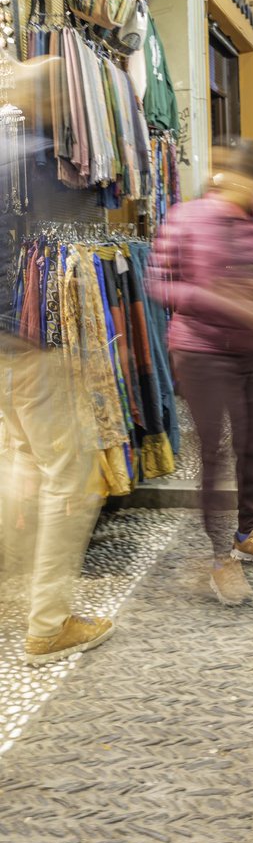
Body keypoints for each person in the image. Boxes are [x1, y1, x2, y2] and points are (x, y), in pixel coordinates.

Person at [0, 55, 112, 664]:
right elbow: (80, 217)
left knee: (19, 460)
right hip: (21, 339)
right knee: (70, 474)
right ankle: (48, 622)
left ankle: (19, 589)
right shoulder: (29, 158)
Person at [147, 137, 253, 607]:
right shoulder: (186, 218)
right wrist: (230, 302)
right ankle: (219, 555)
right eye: (251, 180)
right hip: (202, 350)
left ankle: (248, 532)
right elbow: (160, 284)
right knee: (217, 451)